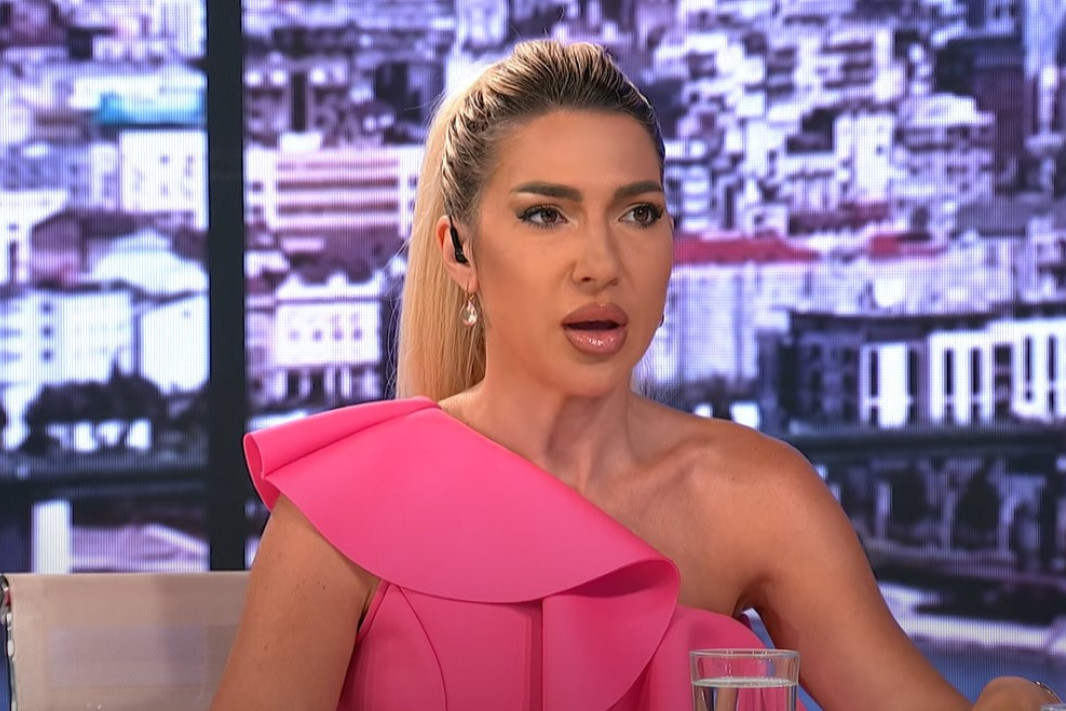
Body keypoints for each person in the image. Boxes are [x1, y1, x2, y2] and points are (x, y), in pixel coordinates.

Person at [211, 40, 1061, 711]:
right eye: (546, 214)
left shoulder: (760, 499)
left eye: (638, 213)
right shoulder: (341, 513)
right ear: (459, 252)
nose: (601, 263)